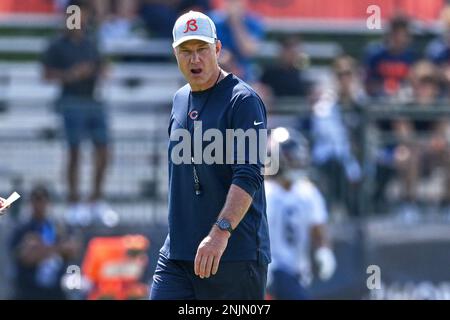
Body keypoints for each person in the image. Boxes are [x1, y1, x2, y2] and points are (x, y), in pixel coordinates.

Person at [150, 10, 270, 300]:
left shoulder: (243, 101)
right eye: (186, 51)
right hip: (178, 254)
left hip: (233, 254)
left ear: (217, 49)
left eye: (202, 49)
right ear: (175, 53)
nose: (195, 59)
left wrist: (220, 233)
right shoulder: (179, 99)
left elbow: (249, 173)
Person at [42, 0, 110, 223]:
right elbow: (47, 75)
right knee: (75, 152)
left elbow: (103, 68)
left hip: (92, 100)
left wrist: (101, 72)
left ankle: (95, 201)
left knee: (103, 151)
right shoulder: (57, 44)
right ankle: (73, 202)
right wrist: (71, 75)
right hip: (71, 101)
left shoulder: (92, 42)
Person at [265, 127, 336, 300]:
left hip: (298, 272)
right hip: (272, 269)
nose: (298, 161)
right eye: (292, 157)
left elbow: (318, 227)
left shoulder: (308, 192)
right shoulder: (264, 192)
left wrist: (324, 250)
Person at [9, 185, 80, 299]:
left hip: (56, 291)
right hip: (28, 291)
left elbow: (72, 250)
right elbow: (26, 257)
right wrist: (57, 249)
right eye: (36, 200)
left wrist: (41, 248)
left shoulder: (58, 226)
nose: (39, 204)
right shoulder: (22, 228)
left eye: (42, 200)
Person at [210, 0, 264, 82]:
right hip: (216, 69)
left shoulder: (253, 22)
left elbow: (248, 51)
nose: (233, 5)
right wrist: (222, 56)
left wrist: (235, 23)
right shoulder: (213, 21)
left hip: (244, 73)